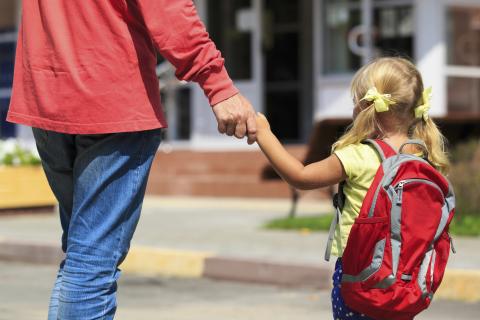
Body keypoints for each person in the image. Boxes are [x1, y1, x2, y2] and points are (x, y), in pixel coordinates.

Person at [7, 1, 256, 319]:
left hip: (48, 100)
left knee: (81, 257)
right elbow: (166, 8)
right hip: (111, 102)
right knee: (91, 264)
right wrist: (217, 84)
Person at [255, 57, 449, 320]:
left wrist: (263, 134)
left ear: (367, 106)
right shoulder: (421, 157)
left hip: (361, 276)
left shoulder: (360, 155)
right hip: (405, 279)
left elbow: (299, 176)